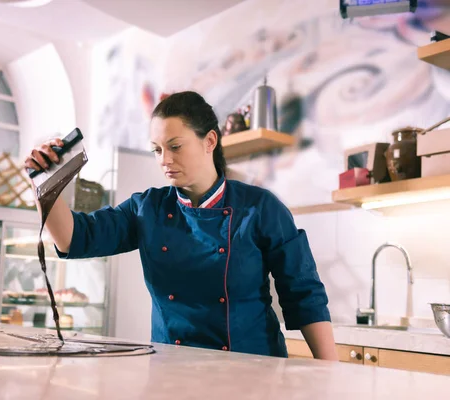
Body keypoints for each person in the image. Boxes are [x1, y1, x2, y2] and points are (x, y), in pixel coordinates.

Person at [24, 91, 338, 360]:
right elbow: (75, 239)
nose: (164, 159)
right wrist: (45, 186)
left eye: (175, 146)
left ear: (209, 141)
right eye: (157, 149)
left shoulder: (260, 208)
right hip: (170, 371)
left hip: (252, 370)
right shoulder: (147, 208)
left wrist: (328, 376)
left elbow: (304, 294)